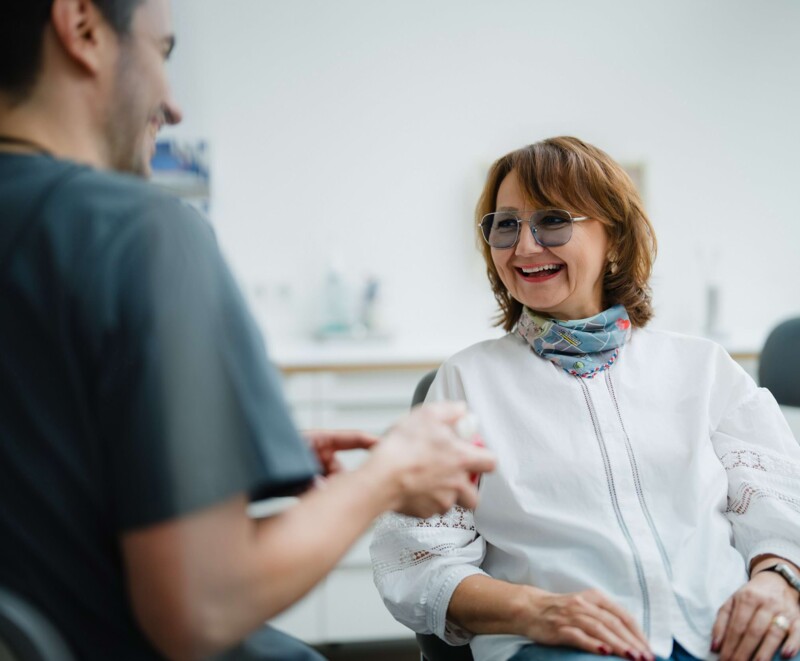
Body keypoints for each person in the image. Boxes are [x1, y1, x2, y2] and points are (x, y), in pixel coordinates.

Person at [0, 1, 496, 660]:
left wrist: (216, 465)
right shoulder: (141, 232)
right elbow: (203, 607)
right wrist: (385, 475)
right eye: (162, 52)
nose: (173, 105)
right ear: (82, 26)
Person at [370, 137, 800, 661]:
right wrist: (534, 610)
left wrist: (779, 580)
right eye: (505, 225)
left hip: (725, 632)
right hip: (561, 645)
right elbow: (417, 560)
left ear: (614, 237)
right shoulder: (466, 381)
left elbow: (781, 500)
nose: (524, 247)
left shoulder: (703, 368)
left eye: (552, 221)